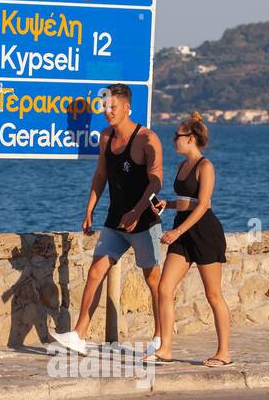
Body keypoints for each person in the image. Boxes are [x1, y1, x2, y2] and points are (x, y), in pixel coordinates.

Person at [52, 84, 163, 357]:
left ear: (127, 107)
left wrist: (137, 212)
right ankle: (79, 334)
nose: (108, 111)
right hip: (114, 220)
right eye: (105, 107)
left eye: (113, 107)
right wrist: (90, 209)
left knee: (153, 280)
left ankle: (160, 336)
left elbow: (155, 182)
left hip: (144, 221)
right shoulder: (105, 137)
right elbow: (100, 176)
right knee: (95, 272)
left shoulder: (147, 138)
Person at [147, 112, 232, 366]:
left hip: (204, 234)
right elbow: (188, 201)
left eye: (178, 136)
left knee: (213, 294)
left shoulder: (206, 167)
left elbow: (203, 205)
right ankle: (166, 349)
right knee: (164, 288)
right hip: (182, 231)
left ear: (191, 139)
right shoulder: (182, 166)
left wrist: (177, 232)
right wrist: (168, 204)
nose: (174, 140)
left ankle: (224, 353)